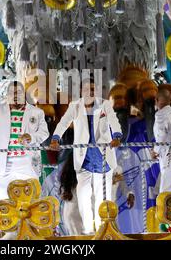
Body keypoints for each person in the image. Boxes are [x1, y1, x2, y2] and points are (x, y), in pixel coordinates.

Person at [50, 78, 122, 234]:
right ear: (81, 92)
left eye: (92, 89)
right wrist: (55, 138)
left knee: (103, 195)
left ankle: (103, 229)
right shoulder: (74, 106)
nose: (89, 92)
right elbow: (63, 123)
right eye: (86, 89)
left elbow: (114, 121)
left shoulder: (104, 104)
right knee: (83, 195)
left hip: (103, 156)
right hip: (83, 157)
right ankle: (89, 231)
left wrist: (117, 135)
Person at [0, 81, 49, 201]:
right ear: (7, 96)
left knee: (31, 202)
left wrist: (31, 137)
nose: (15, 95)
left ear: (24, 94)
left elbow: (44, 133)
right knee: (4, 203)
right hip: (4, 166)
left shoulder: (37, 112)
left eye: (18, 92)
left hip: (28, 164)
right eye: (11, 92)